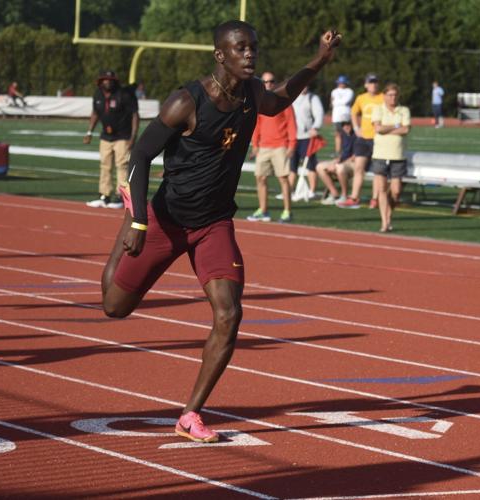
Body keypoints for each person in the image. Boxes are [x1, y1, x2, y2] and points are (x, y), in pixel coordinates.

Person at [99, 20, 341, 443]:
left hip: (214, 224)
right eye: (241, 48)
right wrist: (137, 219)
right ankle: (126, 212)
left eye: (254, 48)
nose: (251, 55)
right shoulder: (186, 102)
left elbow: (279, 99)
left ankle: (190, 414)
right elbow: (141, 152)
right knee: (114, 308)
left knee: (229, 314)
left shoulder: (250, 93)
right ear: (220, 55)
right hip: (166, 218)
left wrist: (319, 61)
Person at [84, 70, 140, 209]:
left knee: (121, 166)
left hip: (123, 136)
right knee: (105, 165)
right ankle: (104, 195)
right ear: (100, 81)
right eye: (105, 79)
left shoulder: (124, 94)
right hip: (106, 136)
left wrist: (133, 137)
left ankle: (121, 196)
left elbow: (135, 115)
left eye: (110, 79)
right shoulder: (98, 94)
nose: (107, 82)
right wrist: (89, 131)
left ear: (115, 81)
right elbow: (95, 113)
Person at [247, 71, 296, 223]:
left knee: (283, 179)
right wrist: (255, 145)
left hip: (280, 145)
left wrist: (292, 145)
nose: (268, 84)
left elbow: (291, 124)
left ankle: (287, 211)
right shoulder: (260, 101)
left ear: (275, 83)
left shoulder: (282, 101)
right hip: (263, 147)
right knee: (260, 177)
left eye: (271, 81)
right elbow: (256, 125)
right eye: (265, 82)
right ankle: (263, 210)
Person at [337, 73, 383, 209]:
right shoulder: (361, 98)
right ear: (366, 85)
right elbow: (353, 113)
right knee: (359, 168)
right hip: (363, 139)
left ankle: (375, 198)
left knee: (377, 170)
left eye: (375, 82)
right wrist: (356, 128)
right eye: (371, 82)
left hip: (378, 139)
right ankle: (354, 197)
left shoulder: (382, 98)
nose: (373, 85)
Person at [370, 83, 411, 233]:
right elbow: (378, 129)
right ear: (384, 96)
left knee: (396, 191)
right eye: (389, 95)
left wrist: (387, 128)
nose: (392, 98)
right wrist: (395, 126)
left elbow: (406, 129)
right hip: (380, 154)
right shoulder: (378, 109)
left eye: (395, 95)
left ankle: (389, 213)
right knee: (381, 189)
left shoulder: (404, 110)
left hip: (398, 155)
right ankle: (385, 221)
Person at [290, 85, 324, 199]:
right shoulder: (292, 97)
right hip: (293, 137)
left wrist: (315, 127)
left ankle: (312, 191)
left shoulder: (312, 98)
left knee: (310, 165)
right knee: (291, 166)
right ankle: (289, 191)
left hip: (307, 137)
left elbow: (319, 114)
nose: (303, 87)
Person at [317, 120, 355, 205]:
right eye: (344, 125)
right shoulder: (343, 134)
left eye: (348, 124)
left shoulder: (357, 134)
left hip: (354, 164)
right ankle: (334, 193)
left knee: (340, 168)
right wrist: (335, 161)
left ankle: (344, 195)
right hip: (343, 161)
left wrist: (339, 164)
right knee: (320, 166)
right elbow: (342, 154)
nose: (346, 127)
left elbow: (355, 156)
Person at [330, 75, 354, 155]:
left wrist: (336, 102)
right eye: (340, 82)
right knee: (337, 134)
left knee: (347, 134)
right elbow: (332, 103)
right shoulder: (334, 91)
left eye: (343, 82)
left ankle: (347, 151)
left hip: (346, 115)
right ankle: (338, 153)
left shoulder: (349, 91)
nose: (341, 84)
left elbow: (345, 101)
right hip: (336, 116)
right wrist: (337, 102)